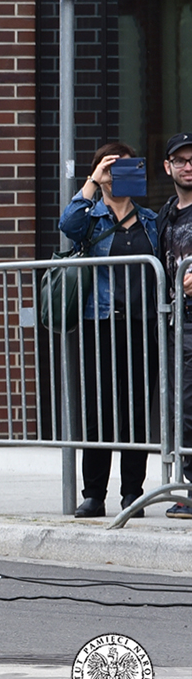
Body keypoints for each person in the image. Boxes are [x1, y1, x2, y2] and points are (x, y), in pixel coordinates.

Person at [60, 143, 160, 519]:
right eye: (111, 169)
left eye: (125, 167)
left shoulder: (151, 219)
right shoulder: (92, 218)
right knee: (98, 412)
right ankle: (94, 495)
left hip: (142, 325)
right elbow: (67, 226)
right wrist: (92, 182)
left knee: (136, 414)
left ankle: (132, 493)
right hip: (101, 323)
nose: (117, 175)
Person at [159, 132, 192, 518]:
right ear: (168, 167)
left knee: (189, 407)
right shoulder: (166, 211)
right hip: (175, 325)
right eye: (180, 160)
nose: (187, 166)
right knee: (180, 407)